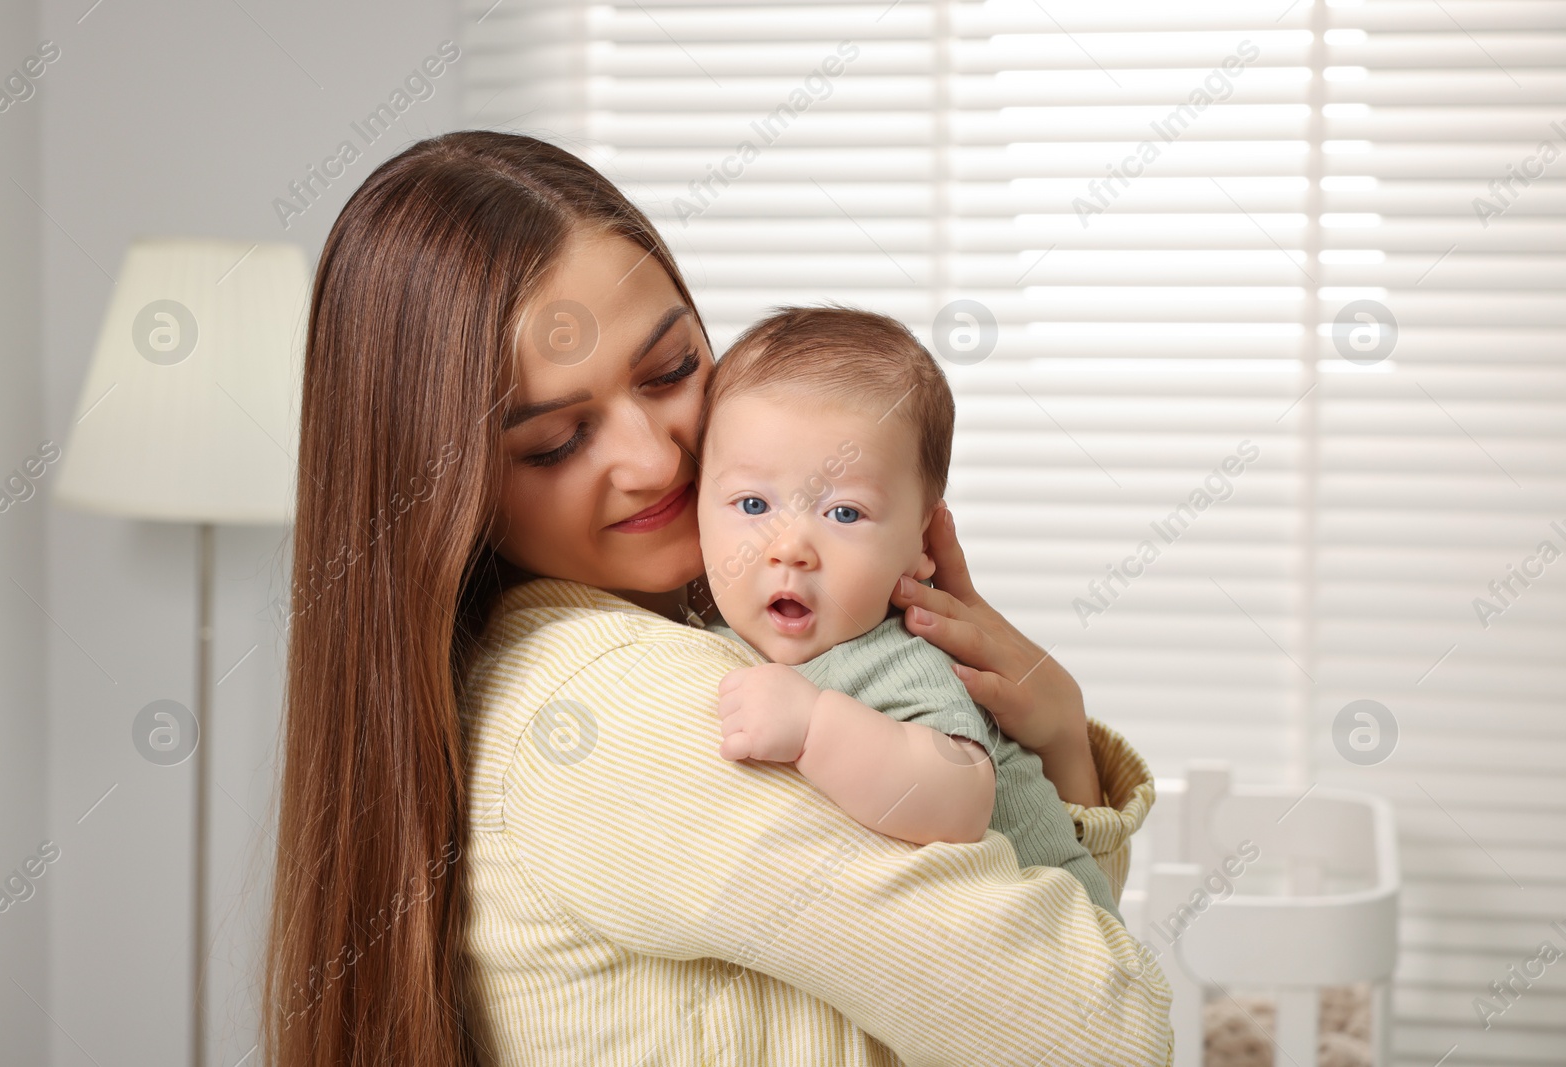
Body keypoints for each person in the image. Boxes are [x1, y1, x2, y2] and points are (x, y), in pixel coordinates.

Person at [263, 129, 1173, 1067]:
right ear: (441, 488)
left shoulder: (735, 640)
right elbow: (1101, 1030)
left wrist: (1055, 740)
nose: (656, 458)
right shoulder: (628, 708)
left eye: (670, 372)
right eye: (555, 442)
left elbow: (1041, 909)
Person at [696, 305, 1119, 921]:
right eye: (753, 503)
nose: (788, 547)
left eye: (844, 513)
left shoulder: (896, 655)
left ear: (922, 544)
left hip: (1067, 947)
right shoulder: (706, 636)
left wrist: (814, 727)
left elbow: (957, 799)